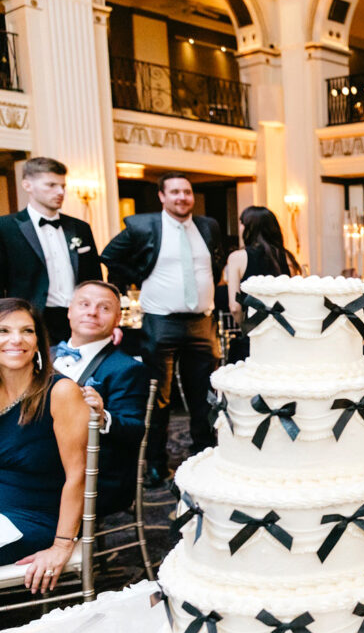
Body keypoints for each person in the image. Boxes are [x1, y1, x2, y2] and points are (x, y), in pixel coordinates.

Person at [100, 172, 226, 487]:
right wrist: (139, 275)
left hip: (201, 323)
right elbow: (109, 255)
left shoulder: (208, 226)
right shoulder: (142, 226)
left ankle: (204, 456)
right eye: (174, 192)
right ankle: (156, 465)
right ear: (162, 196)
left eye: (187, 191)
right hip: (160, 323)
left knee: (206, 396)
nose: (182, 197)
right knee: (158, 398)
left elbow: (215, 263)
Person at [0, 299, 90, 593]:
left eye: (27, 330)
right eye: (4, 330)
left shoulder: (61, 391)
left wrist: (63, 545)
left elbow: (78, 475)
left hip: (33, 517)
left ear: (39, 341)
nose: (16, 339)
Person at [53, 281, 149, 515]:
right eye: (84, 304)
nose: (92, 312)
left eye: (104, 308)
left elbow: (135, 429)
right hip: (36, 464)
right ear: (69, 310)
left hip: (93, 476)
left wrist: (102, 417)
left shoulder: (126, 368)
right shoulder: (45, 355)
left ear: (118, 319)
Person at [0, 158, 102, 343]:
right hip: (30, 318)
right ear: (27, 185)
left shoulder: (80, 228)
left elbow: (94, 278)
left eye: (63, 186)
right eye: (51, 185)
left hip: (78, 318)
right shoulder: (5, 227)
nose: (61, 192)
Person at [226, 206, 301, 361]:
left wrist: (245, 327)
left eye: (241, 223)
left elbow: (235, 306)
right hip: (283, 336)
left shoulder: (237, 258)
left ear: (248, 227)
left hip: (255, 336)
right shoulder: (288, 258)